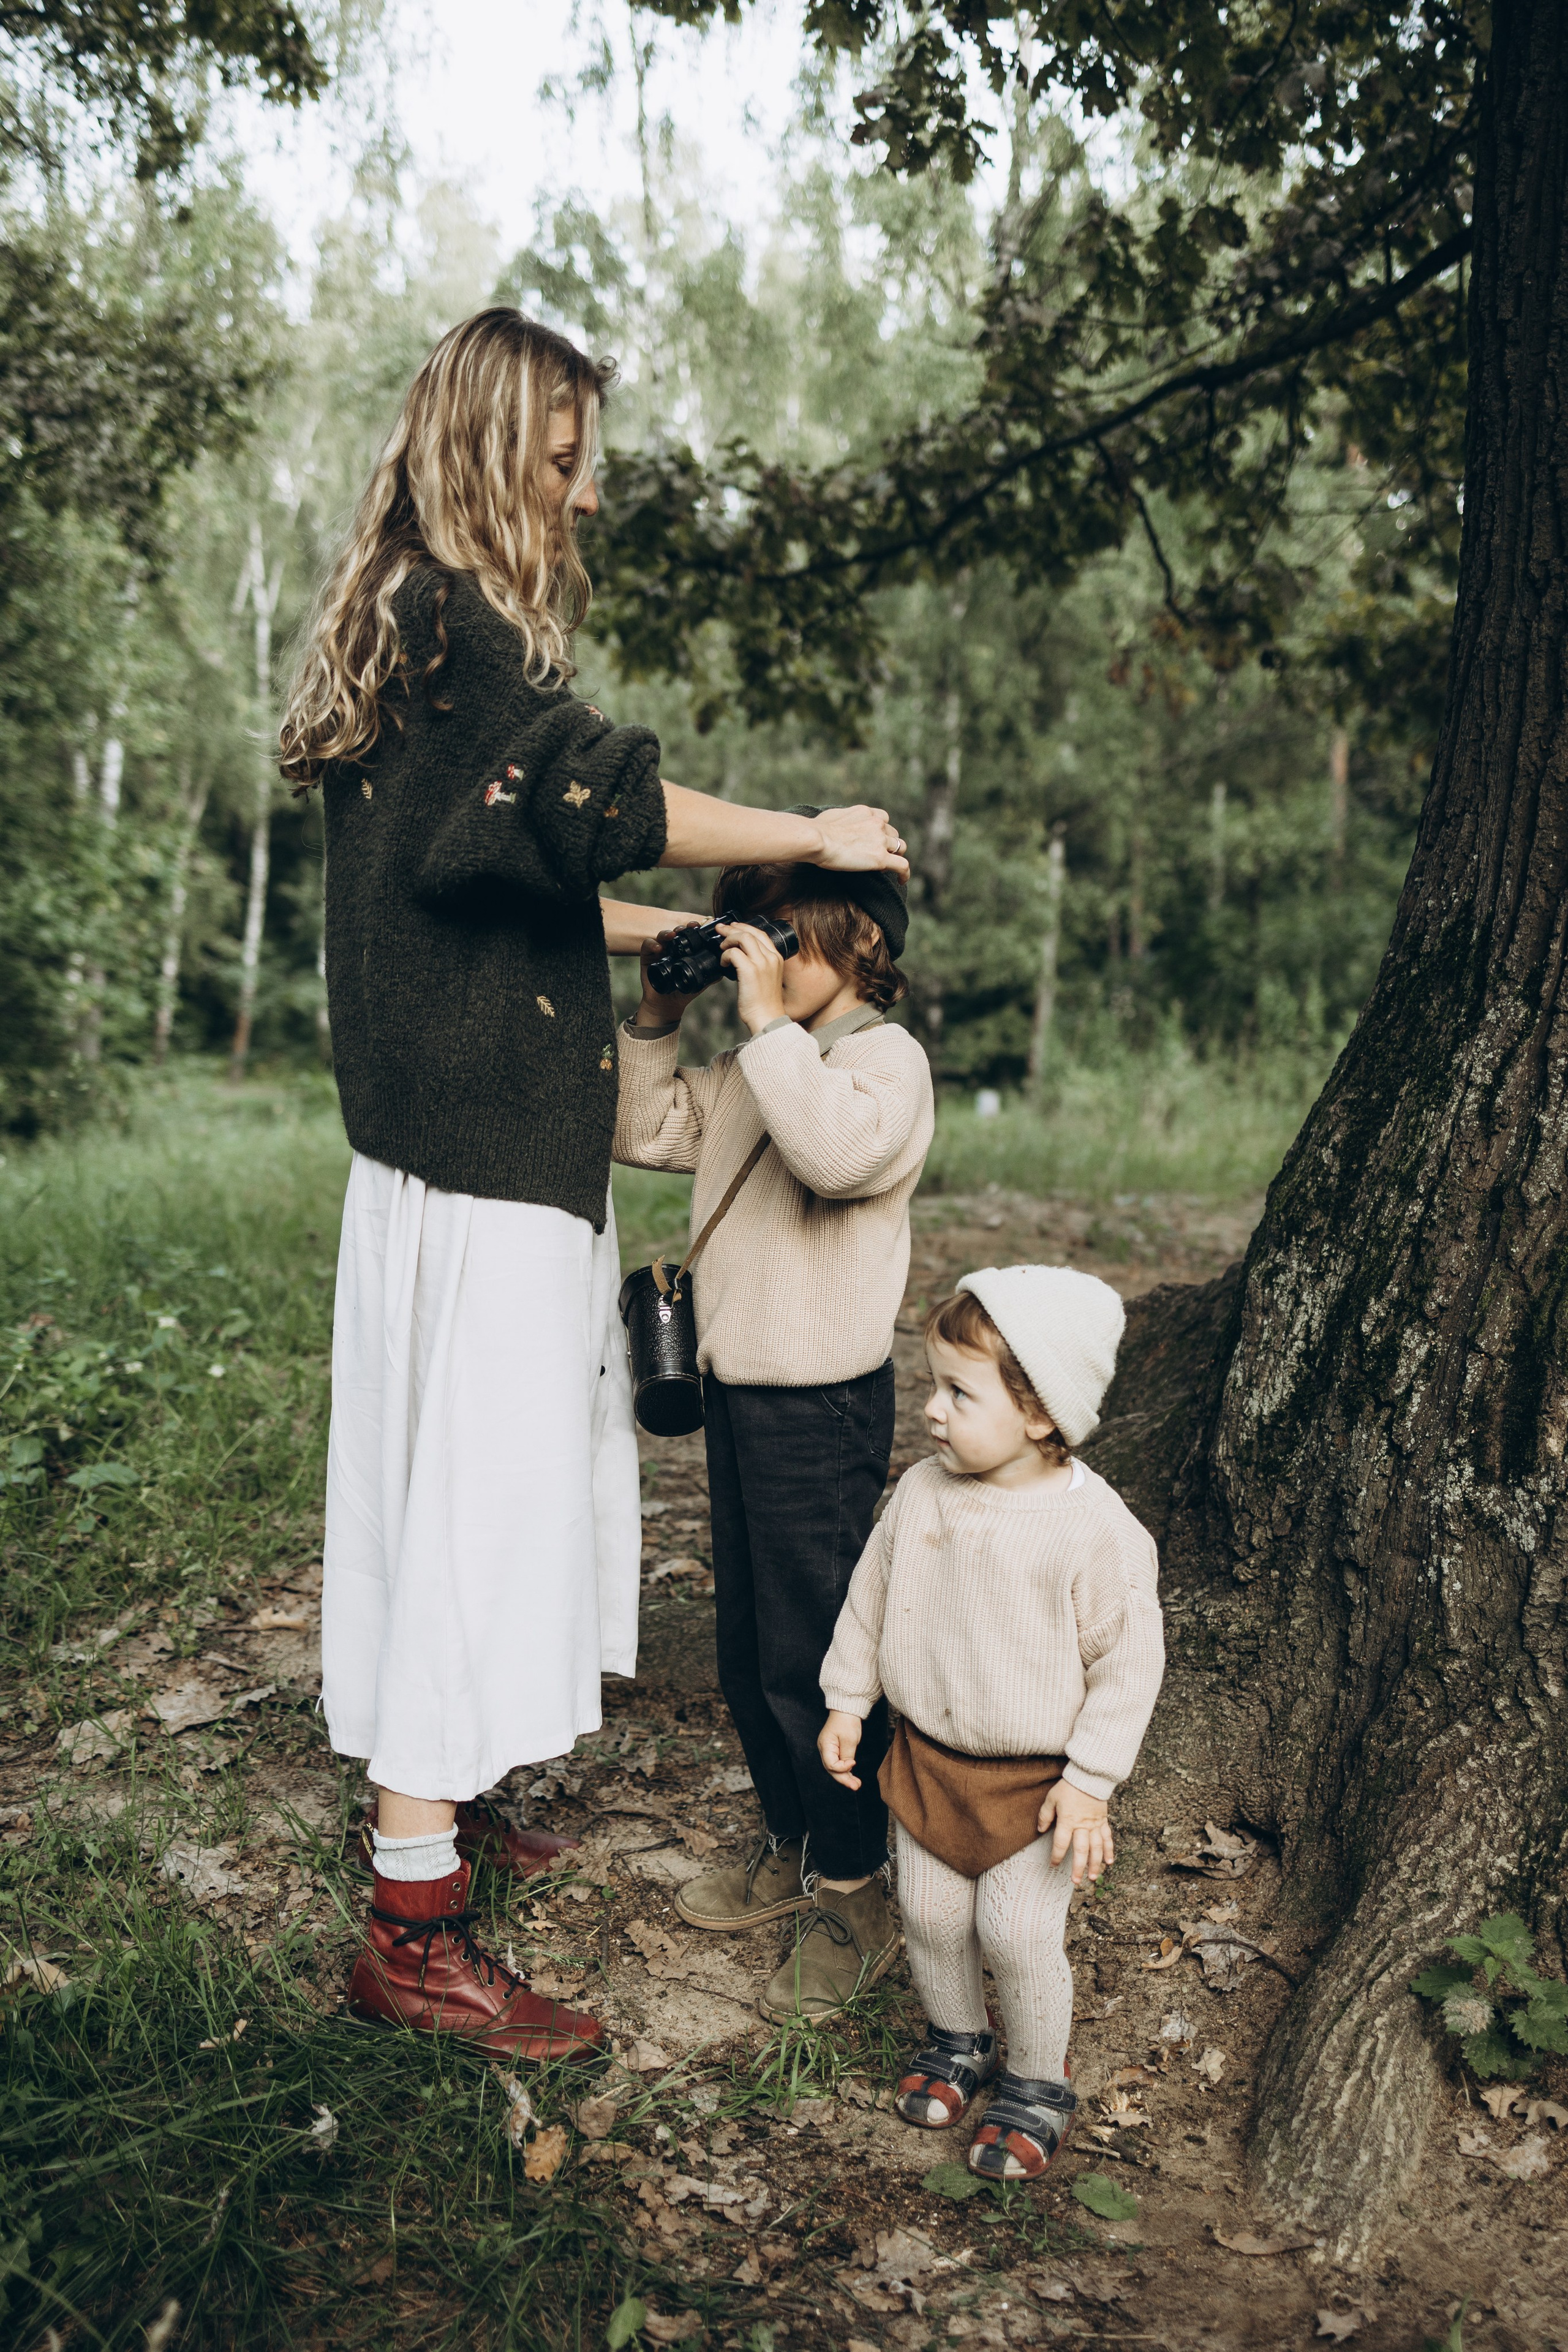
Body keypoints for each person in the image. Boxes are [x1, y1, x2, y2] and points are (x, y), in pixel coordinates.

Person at [277, 306, 908, 2062]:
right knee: (470, 1521)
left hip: (449, 1151)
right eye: (566, 459)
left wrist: (678, 934)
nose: (588, 492)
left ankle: (443, 1802)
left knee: (457, 1502)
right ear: (491, 447)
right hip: (478, 1166)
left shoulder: (405, 624)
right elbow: (596, 796)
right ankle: (414, 1928)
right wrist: (806, 838)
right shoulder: (453, 621)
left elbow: (504, 883)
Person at [612, 837, 934, 2019]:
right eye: (749, 929)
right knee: (751, 1651)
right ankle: (795, 1834)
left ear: (856, 939)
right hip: (740, 1394)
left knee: (819, 1658)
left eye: (781, 932)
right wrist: (657, 1009)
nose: (764, 952)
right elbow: (644, 1130)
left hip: (824, 1404)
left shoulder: (883, 1064)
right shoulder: (768, 1060)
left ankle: (858, 1881)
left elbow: (839, 1158)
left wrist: (765, 1023)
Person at [817, 1266, 1164, 2178]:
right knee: (929, 1916)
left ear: (1042, 1415)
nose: (933, 1410)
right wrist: (848, 1700)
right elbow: (870, 1600)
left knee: (1015, 1932)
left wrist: (1090, 1786)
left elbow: (1128, 1667)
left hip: (1032, 1785)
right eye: (934, 1385)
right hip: (928, 1759)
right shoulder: (924, 1494)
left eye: (960, 1393)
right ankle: (956, 2040)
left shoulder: (1098, 1534)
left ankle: (1037, 2081)